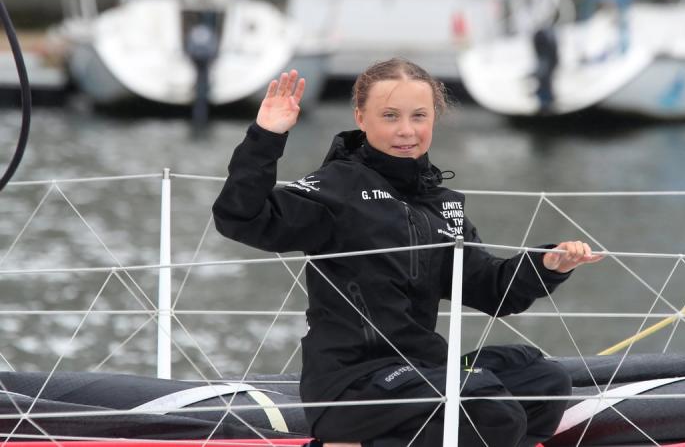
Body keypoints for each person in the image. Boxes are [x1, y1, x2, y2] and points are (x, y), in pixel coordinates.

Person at [212, 58, 603, 446]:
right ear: (361, 118)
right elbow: (239, 218)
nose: (406, 131)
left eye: (419, 116)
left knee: (545, 382)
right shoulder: (335, 189)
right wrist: (267, 135)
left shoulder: (440, 204)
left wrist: (548, 263)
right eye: (390, 116)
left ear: (435, 118)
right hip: (351, 387)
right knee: (490, 410)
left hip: (421, 374)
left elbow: (491, 290)